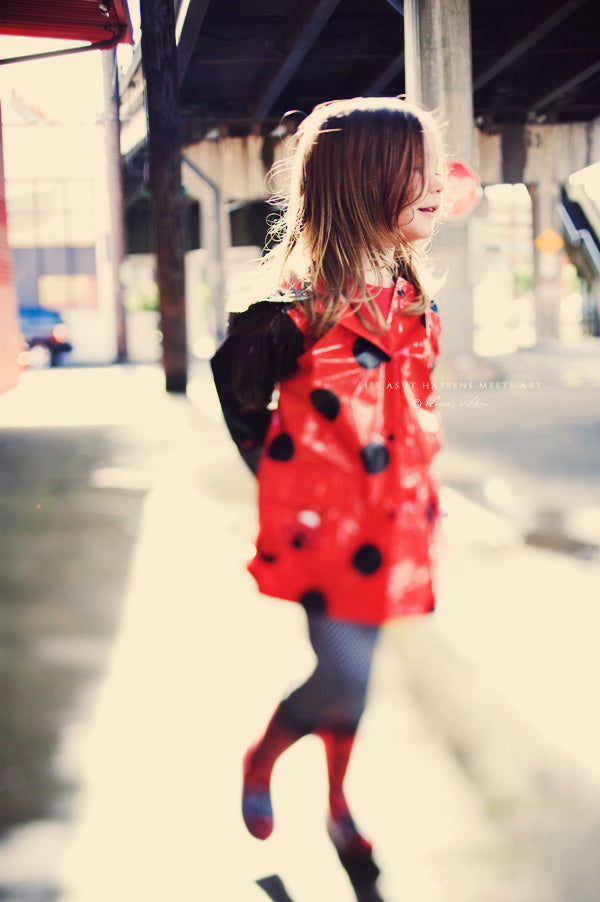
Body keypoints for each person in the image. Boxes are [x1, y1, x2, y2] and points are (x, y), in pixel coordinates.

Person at [211, 96, 445, 887]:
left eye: (434, 169)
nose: (435, 185)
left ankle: (339, 805)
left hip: (396, 525)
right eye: (415, 172)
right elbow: (235, 389)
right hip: (324, 532)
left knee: (359, 681)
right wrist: (284, 483)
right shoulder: (293, 312)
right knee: (343, 677)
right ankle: (265, 754)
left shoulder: (408, 291)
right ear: (361, 182)